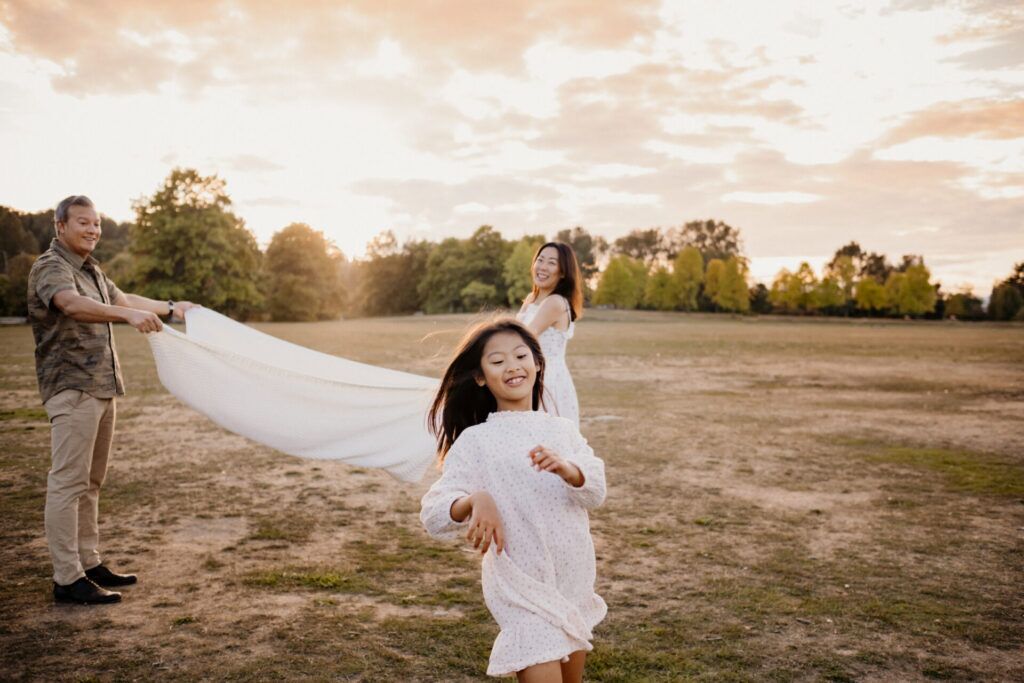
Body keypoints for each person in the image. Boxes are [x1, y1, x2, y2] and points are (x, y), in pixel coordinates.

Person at [27, 195, 198, 605]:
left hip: (102, 386)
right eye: (83, 222)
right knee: (68, 482)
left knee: (91, 483)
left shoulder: (92, 270)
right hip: (72, 387)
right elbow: (71, 304)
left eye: (97, 224)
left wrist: (173, 308)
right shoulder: (51, 267)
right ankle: (67, 578)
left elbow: (125, 301)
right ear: (60, 226)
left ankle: (89, 563)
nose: (92, 230)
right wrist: (125, 317)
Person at [420, 318, 606, 682]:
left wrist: (569, 470)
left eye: (521, 355)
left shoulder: (562, 430)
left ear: (537, 363)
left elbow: (596, 490)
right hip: (521, 588)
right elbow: (433, 513)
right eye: (498, 360)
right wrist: (476, 499)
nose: (513, 366)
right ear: (479, 376)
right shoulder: (476, 441)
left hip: (572, 582)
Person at [515, 242, 584, 426]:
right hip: (526, 374)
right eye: (540, 260)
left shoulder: (556, 302)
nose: (543, 267)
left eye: (552, 263)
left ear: (563, 272)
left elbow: (523, 337)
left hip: (547, 379)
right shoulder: (531, 298)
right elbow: (513, 332)